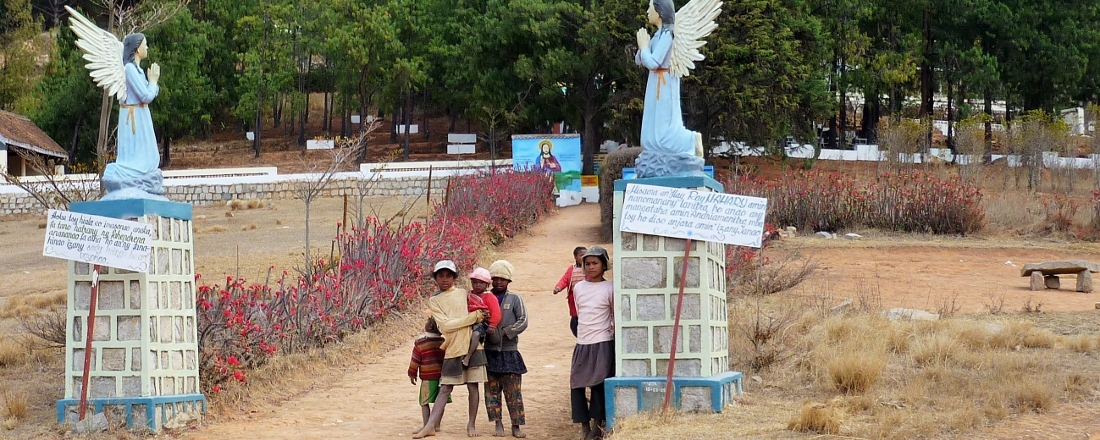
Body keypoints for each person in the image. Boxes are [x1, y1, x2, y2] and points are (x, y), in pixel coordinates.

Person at [414, 260, 489, 439]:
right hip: (453, 347)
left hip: (472, 345)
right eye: (440, 276)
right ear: (435, 279)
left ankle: (471, 424)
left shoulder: (464, 293)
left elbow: (482, 312)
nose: (445, 280)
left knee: (473, 386)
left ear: (454, 277)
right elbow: (446, 327)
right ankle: (430, 425)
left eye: (448, 276)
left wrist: (478, 316)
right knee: (445, 387)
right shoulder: (435, 300)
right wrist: (473, 318)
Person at [632, 0, 705, 178]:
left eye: (650, 7)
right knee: (649, 137)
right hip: (655, 85)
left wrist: (643, 47)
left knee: (664, 132)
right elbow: (639, 60)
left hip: (664, 85)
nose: (647, 11)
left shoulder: (667, 35)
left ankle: (690, 140)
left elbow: (653, 62)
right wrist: (643, 47)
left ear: (659, 11)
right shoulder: (657, 35)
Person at [103, 33, 166, 198]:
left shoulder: (137, 70)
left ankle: (141, 179)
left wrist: (152, 83)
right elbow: (146, 95)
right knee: (136, 155)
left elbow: (149, 93)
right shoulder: (130, 69)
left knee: (148, 153)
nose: (147, 48)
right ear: (137, 49)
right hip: (133, 118)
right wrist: (153, 82)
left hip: (140, 115)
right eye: (145, 44)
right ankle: (129, 174)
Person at [570, 247, 615, 440]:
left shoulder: (610, 288)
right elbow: (580, 313)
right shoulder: (578, 287)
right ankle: (583, 425)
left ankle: (597, 425)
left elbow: (613, 314)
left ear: (604, 265)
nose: (590, 267)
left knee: (598, 384)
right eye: (587, 263)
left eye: (595, 263)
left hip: (602, 342)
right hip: (583, 341)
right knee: (577, 384)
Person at [483, 260, 529, 438]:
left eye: (502, 279)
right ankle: (498, 423)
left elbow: (523, 321)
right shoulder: (485, 298)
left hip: (510, 351)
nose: (498, 282)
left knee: (513, 391)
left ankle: (516, 425)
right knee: (491, 391)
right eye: (495, 279)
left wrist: (504, 333)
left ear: (509, 281)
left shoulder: (515, 299)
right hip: (490, 351)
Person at [409, 317, 448, 433]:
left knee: (424, 402)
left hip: (428, 377)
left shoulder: (421, 342)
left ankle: (426, 425)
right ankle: (436, 425)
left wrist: (412, 374)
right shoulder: (442, 342)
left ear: (429, 326)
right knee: (440, 401)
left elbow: (415, 360)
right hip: (442, 377)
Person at [465, 267, 502, 367]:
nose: (477, 285)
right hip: (467, 321)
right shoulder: (469, 294)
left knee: (476, 334)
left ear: (487, 284)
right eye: (475, 282)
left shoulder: (489, 297)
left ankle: (468, 357)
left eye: (481, 283)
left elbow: (496, 312)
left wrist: (492, 325)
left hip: (481, 323)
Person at [553, 246, 588, 337]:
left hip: (588, 298)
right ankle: (578, 336)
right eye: (581, 255)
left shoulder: (590, 269)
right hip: (574, 299)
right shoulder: (571, 269)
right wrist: (558, 287)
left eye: (586, 255)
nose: (584, 257)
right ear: (575, 257)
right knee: (575, 320)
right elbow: (565, 279)